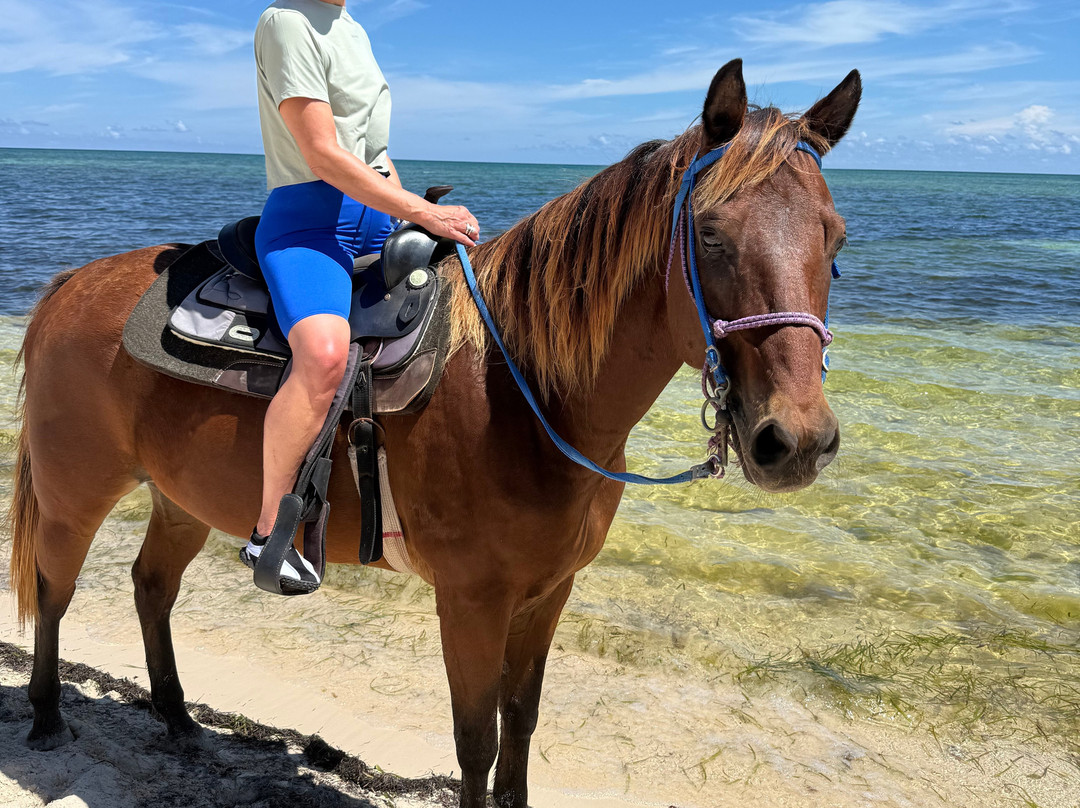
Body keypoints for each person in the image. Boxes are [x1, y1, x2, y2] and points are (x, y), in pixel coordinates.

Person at [239, 0, 480, 594]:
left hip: (375, 211)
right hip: (308, 222)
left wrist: (421, 220)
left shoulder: (353, 29)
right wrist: (425, 210)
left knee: (478, 297)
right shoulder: (286, 20)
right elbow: (322, 153)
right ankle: (268, 532)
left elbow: (374, 155)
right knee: (322, 354)